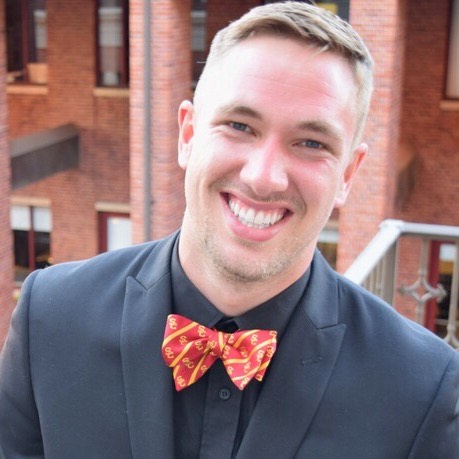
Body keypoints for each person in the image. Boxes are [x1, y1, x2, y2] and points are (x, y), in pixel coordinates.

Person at [1, 2, 458, 458]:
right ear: (188, 135)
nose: (264, 177)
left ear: (348, 174)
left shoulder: (422, 389)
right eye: (239, 125)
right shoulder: (50, 317)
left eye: (311, 143)